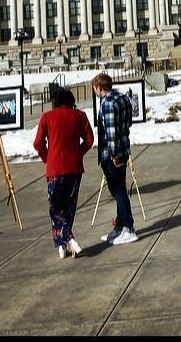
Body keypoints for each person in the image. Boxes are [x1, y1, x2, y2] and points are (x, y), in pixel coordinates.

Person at [32, 88, 94, 259]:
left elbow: (38, 143)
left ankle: (66, 241)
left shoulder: (47, 117)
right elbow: (89, 139)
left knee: (55, 208)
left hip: (55, 169)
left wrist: (47, 157)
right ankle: (65, 242)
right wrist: (78, 152)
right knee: (69, 206)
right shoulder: (79, 116)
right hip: (74, 169)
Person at [92, 72, 139, 246]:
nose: (95, 91)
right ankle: (120, 225)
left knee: (118, 190)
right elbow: (128, 123)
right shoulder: (123, 98)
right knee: (120, 187)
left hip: (112, 153)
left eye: (95, 88)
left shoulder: (108, 103)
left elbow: (110, 132)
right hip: (124, 147)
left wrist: (114, 154)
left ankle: (128, 226)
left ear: (99, 87)